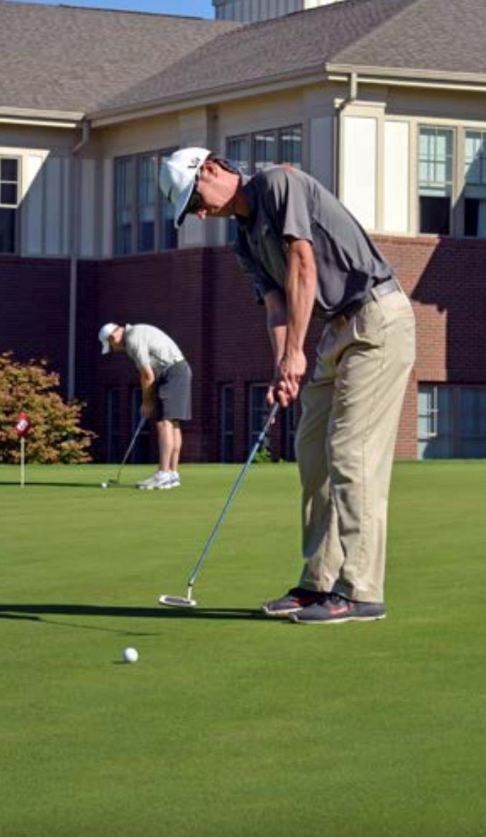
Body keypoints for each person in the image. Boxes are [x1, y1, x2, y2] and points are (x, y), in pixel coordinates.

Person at [159, 147, 416, 624]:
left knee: (351, 451)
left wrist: (297, 352)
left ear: (211, 170)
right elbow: (276, 307)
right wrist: (282, 366)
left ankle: (361, 591)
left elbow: (303, 262)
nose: (198, 212)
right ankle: (319, 582)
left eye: (194, 199)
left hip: (378, 319)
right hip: (336, 331)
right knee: (312, 450)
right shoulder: (243, 241)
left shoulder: (278, 184)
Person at [98, 322, 192, 491]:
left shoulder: (132, 339)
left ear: (113, 337)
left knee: (164, 423)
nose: (114, 350)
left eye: (111, 346)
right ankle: (172, 474)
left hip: (172, 372)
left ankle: (163, 474)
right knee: (173, 423)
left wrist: (147, 403)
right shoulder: (137, 332)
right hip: (179, 371)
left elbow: (147, 375)